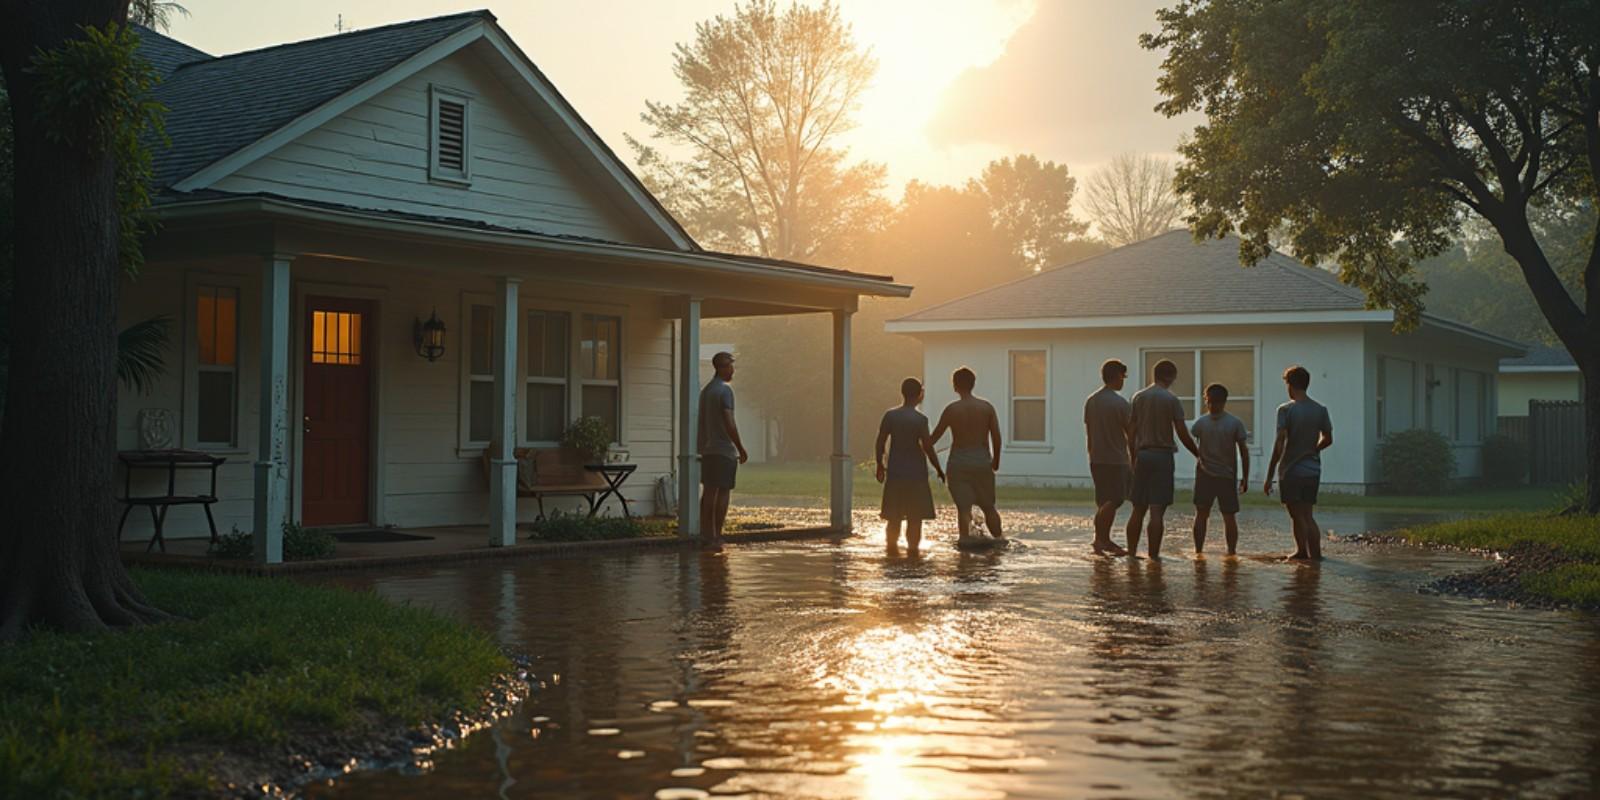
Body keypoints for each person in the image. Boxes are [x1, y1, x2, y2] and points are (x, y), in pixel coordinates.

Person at [1126, 359, 1201, 559]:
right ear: (1171, 377)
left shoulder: (1138, 397)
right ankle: (1153, 556)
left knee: (1137, 508)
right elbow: (1182, 432)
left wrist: (1132, 455)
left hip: (1143, 454)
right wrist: (1198, 454)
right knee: (1157, 510)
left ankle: (1132, 553)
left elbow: (1131, 431)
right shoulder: (1171, 400)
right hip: (1162, 456)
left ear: (1154, 375)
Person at [1265, 365, 1333, 561]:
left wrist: (1270, 475)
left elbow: (1280, 443)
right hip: (1312, 469)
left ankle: (1303, 552)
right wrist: (1313, 450)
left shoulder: (1286, 410)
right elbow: (1328, 439)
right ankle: (1316, 556)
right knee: (1308, 514)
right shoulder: (1320, 410)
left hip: (1291, 470)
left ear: (1290, 385)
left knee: (1297, 515)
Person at [931, 366, 1005, 547]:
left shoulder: (951, 410)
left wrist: (916, 445)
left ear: (955, 386)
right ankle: (999, 541)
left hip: (958, 464)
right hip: (982, 462)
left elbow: (934, 437)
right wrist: (996, 460)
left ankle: (965, 545)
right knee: (988, 506)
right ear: (974, 384)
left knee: (963, 508)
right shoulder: (986, 408)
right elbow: (996, 436)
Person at [875, 377, 945, 554]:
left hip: (896, 472)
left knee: (893, 516)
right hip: (916, 474)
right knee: (915, 518)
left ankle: (891, 552)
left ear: (903, 393)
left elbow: (881, 441)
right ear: (920, 394)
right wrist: (938, 469)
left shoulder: (890, 415)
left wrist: (879, 464)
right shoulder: (920, 419)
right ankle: (913, 553)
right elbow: (928, 447)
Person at [1190, 383, 1250, 555]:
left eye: (1215, 402)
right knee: (1202, 514)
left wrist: (1245, 478)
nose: (1212, 405)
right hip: (1205, 474)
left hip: (1226, 475)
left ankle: (1231, 552)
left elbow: (1244, 452)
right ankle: (1198, 552)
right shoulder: (1200, 424)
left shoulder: (1233, 423)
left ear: (1224, 402)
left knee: (1228, 516)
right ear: (1205, 401)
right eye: (1209, 402)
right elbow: (1194, 445)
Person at [698, 351, 748, 549]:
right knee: (723, 491)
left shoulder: (706, 391)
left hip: (708, 449)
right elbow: (729, 422)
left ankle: (706, 534)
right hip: (723, 450)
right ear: (721, 367)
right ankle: (717, 536)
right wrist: (740, 447)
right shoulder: (724, 391)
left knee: (709, 491)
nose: (732, 370)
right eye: (729, 366)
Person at [1084, 359, 1132, 556]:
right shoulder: (1119, 403)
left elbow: (1088, 430)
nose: (1124, 381)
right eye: (1123, 377)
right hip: (1115, 458)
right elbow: (1131, 432)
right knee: (1115, 499)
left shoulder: (1091, 401)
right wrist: (1134, 457)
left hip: (1096, 457)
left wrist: (1091, 452)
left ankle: (1102, 539)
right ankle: (1100, 540)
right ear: (1118, 376)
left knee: (1104, 500)